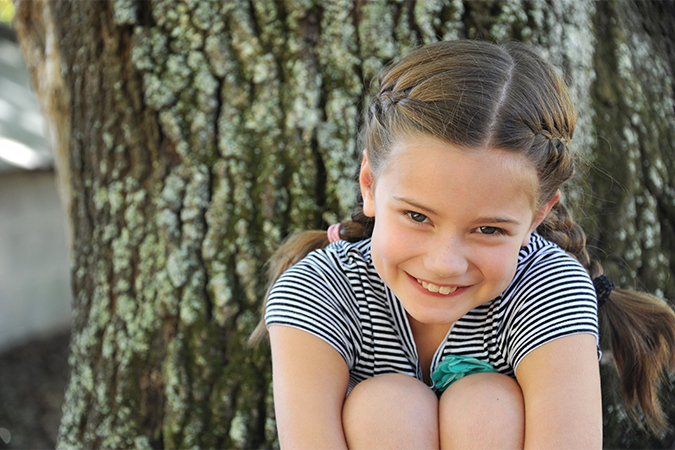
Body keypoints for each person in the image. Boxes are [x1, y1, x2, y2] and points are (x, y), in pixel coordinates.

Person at [253, 40, 675, 448]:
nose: (444, 263)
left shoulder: (548, 288)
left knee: (486, 406)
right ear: (369, 184)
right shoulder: (316, 292)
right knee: (384, 407)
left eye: (489, 230)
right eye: (417, 217)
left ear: (539, 215)